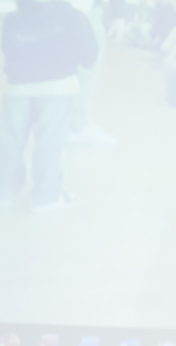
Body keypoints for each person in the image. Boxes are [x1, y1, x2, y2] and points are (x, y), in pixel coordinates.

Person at [0, 0, 98, 209]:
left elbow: (7, 49)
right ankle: (45, 197)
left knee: (9, 142)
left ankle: (4, 191)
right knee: (49, 142)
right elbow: (89, 56)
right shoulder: (73, 17)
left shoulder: (12, 19)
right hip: (58, 87)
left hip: (17, 87)